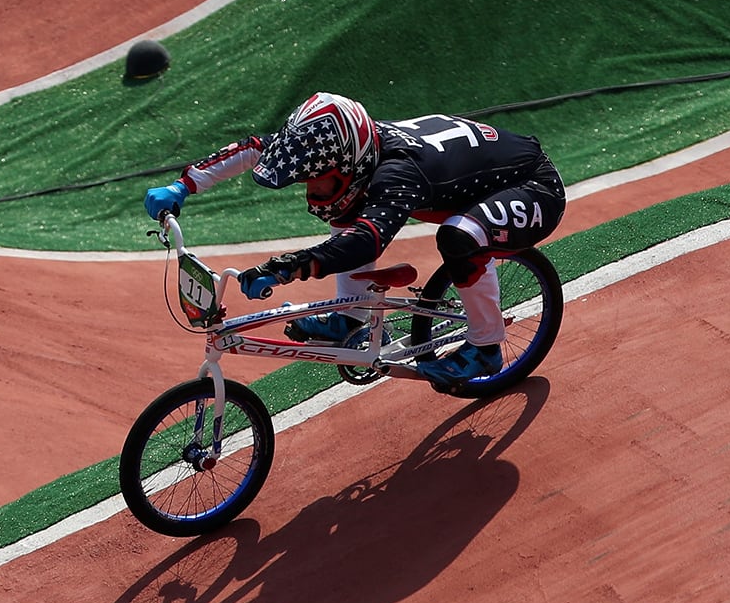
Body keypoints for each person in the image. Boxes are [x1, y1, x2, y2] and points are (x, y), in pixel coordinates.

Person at [143, 92, 565, 386]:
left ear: (352, 160)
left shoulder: (399, 172)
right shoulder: (348, 146)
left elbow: (366, 242)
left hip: (531, 185)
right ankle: (352, 320)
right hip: (471, 183)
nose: (313, 192)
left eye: (320, 180)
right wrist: (184, 186)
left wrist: (291, 266)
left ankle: (486, 345)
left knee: (459, 235)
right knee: (348, 203)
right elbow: (256, 148)